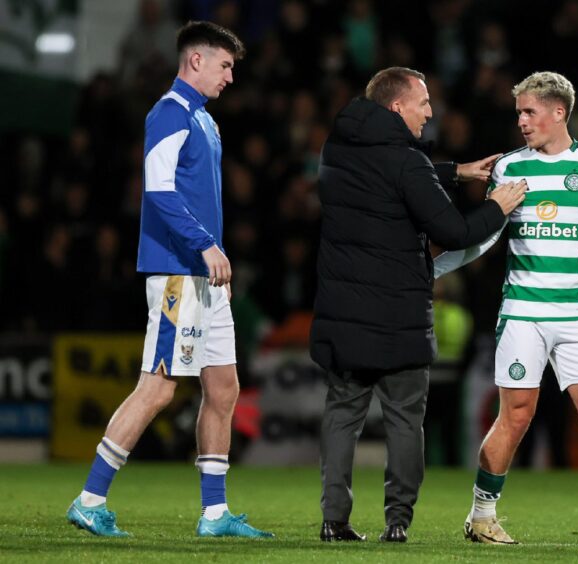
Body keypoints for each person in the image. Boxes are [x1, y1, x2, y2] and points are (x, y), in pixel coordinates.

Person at [434, 71, 578, 547]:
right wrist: (433, 269)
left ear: (559, 112)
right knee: (515, 415)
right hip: (522, 312)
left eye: (529, 111)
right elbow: (488, 235)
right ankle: (481, 516)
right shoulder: (510, 168)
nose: (521, 120)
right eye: (518, 112)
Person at [66, 21, 272, 539]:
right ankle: (89, 499)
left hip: (207, 278)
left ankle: (214, 513)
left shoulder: (204, 120)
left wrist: (212, 254)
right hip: (181, 273)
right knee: (157, 389)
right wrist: (204, 245)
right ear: (195, 61)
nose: (230, 78)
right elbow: (158, 192)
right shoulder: (168, 113)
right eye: (225, 66)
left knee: (224, 389)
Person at [310, 66, 526, 544]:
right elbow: (454, 232)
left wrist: (455, 171)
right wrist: (499, 207)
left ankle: (334, 520)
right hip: (398, 317)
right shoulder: (408, 163)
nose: (431, 112)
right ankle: (397, 522)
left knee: (341, 416)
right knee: (405, 420)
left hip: (343, 313)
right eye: (423, 103)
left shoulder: (337, 148)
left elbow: (388, 179)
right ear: (396, 107)